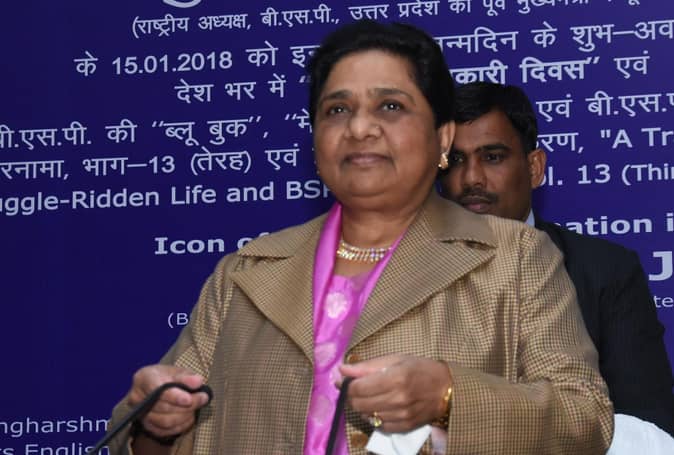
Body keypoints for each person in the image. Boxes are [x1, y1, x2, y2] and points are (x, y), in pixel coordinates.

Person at [109, 22, 612, 454]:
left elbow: (584, 419)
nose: (360, 127)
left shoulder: (514, 256)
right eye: (337, 110)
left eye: (390, 106)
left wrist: (449, 396)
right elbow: (146, 432)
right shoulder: (247, 271)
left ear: (442, 137)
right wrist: (154, 420)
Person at [438, 81, 674, 437]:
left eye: (493, 157)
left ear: (534, 168)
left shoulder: (605, 271)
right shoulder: (406, 273)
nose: (471, 178)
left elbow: (649, 423)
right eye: (455, 160)